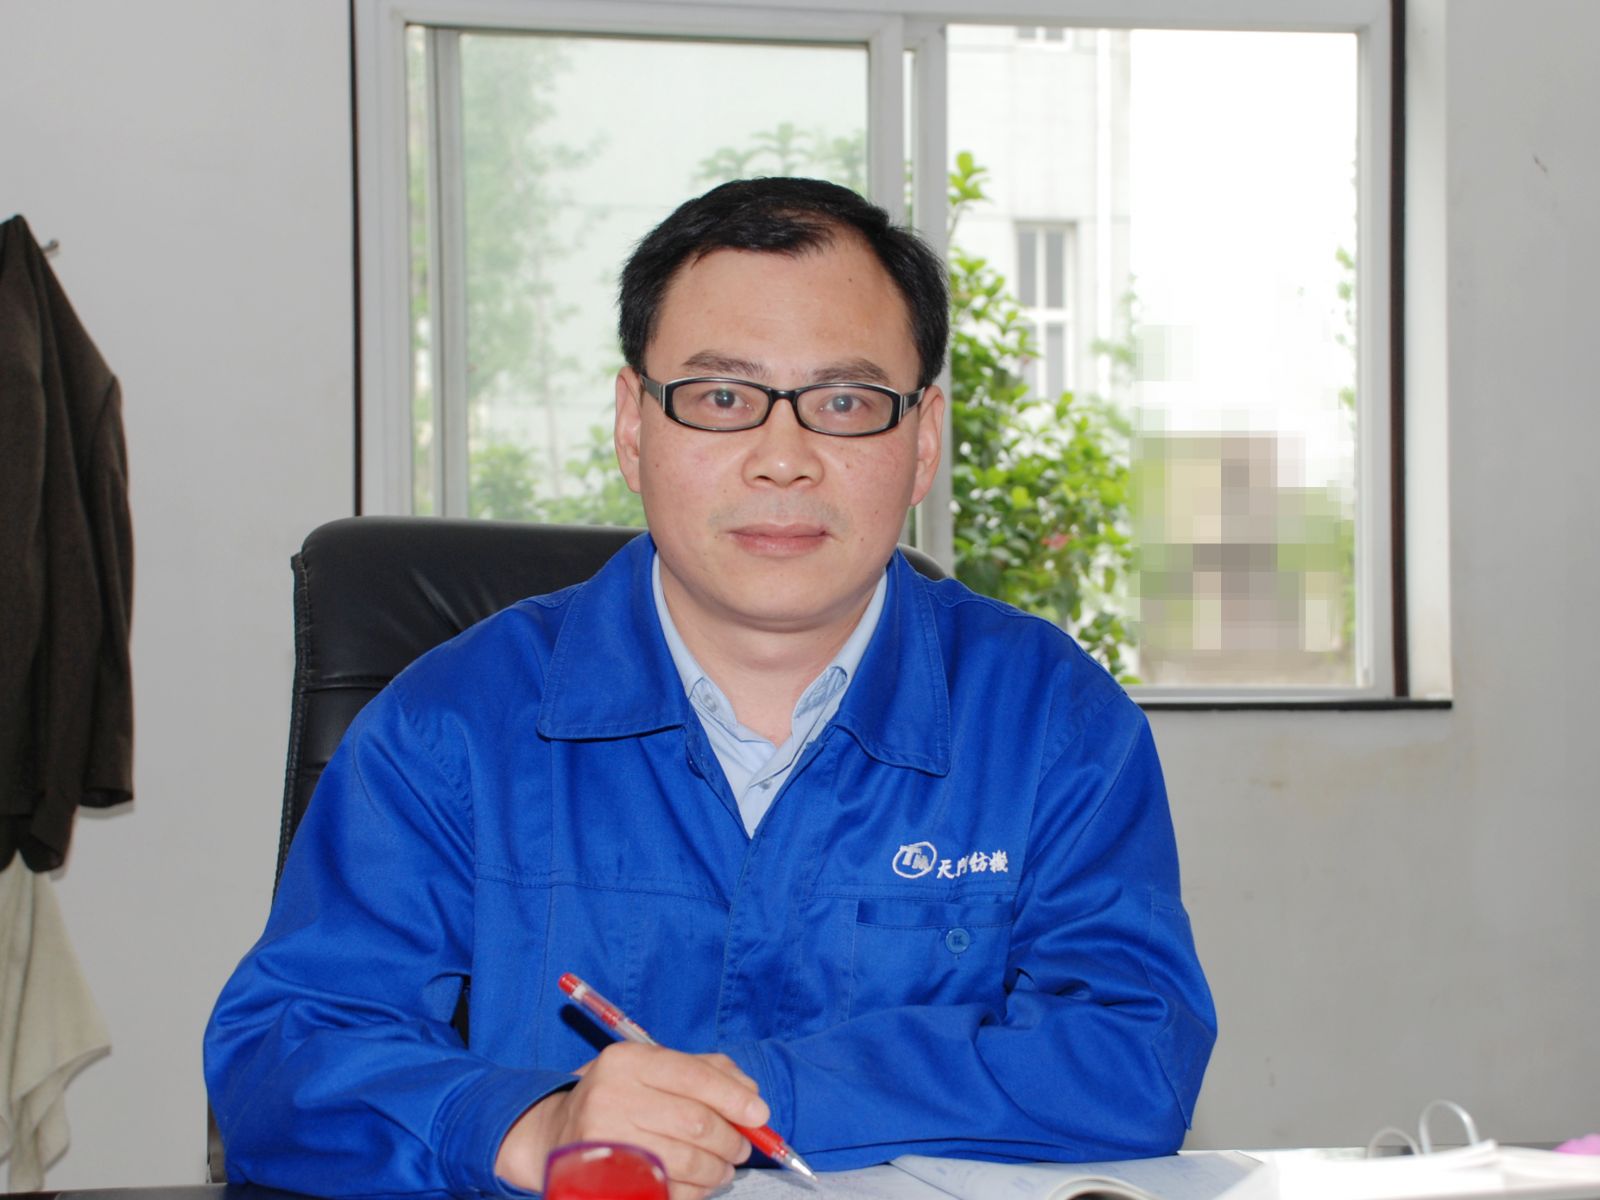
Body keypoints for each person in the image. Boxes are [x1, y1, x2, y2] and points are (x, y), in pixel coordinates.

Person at [204, 177, 1215, 1200]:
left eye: (845, 403)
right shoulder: (451, 725)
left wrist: (752, 1097)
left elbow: (1134, 1050)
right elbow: (280, 1058)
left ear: (922, 443)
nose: (782, 460)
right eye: (722, 398)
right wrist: (530, 1125)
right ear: (633, 425)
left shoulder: (1051, 723)